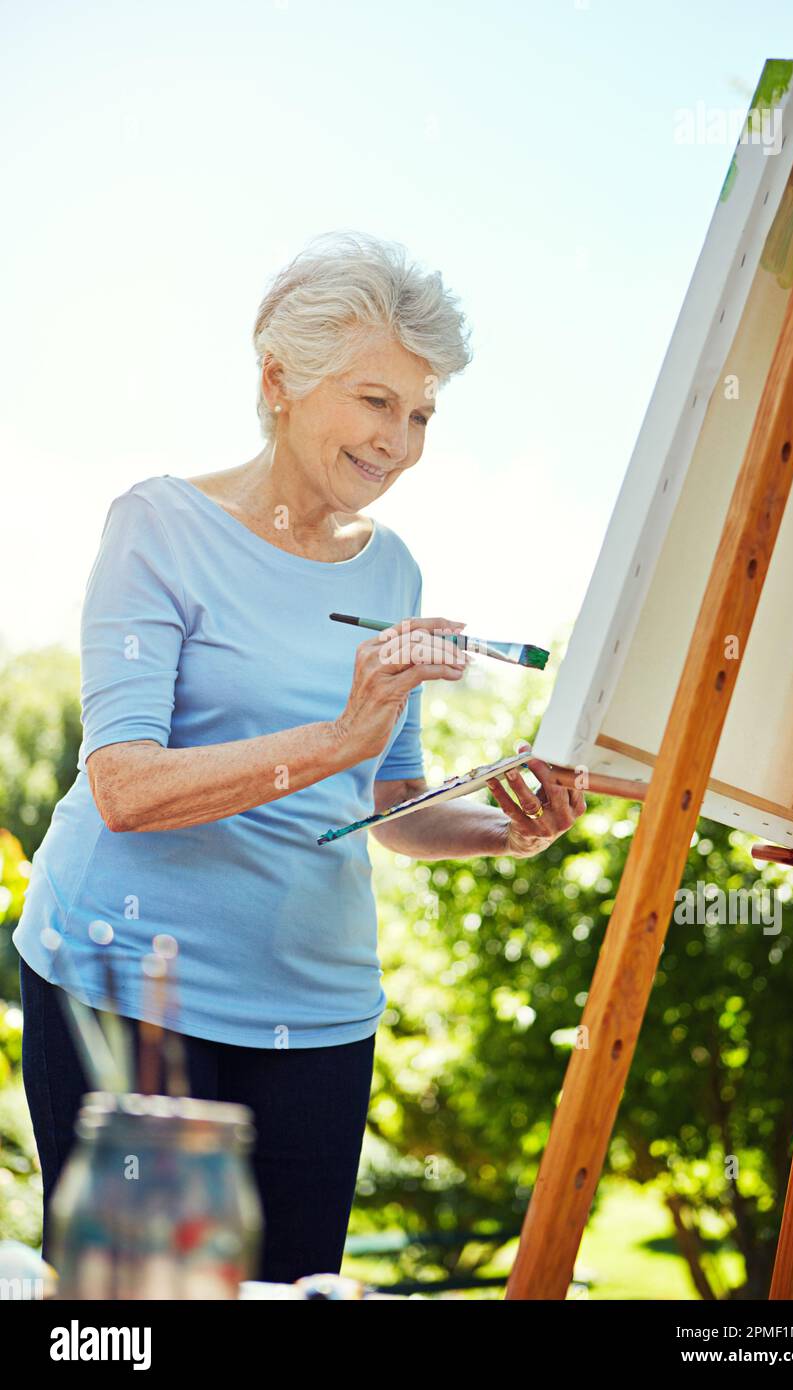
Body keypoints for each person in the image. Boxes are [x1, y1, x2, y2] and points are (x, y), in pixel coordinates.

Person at [14, 229, 585, 1283]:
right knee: (146, 1310)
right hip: (145, 998)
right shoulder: (158, 527)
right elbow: (125, 787)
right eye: (375, 402)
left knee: (289, 1298)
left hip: (317, 1015)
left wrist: (500, 825)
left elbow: (390, 799)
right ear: (277, 378)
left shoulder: (392, 569)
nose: (400, 442)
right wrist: (339, 734)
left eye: (419, 414)